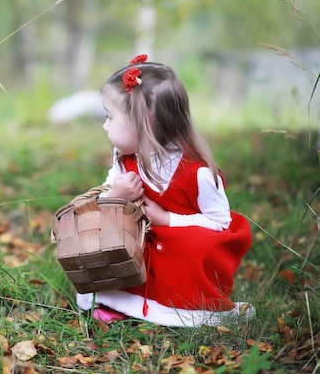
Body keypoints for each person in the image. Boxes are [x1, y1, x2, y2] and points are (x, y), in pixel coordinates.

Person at [76, 54, 253, 327]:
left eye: (110, 117)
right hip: (142, 245)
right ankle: (121, 302)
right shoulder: (125, 160)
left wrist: (167, 220)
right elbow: (98, 205)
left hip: (179, 253)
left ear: (144, 123)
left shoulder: (198, 173)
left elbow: (222, 225)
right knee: (109, 236)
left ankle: (177, 307)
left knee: (195, 244)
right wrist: (115, 196)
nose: (105, 125)